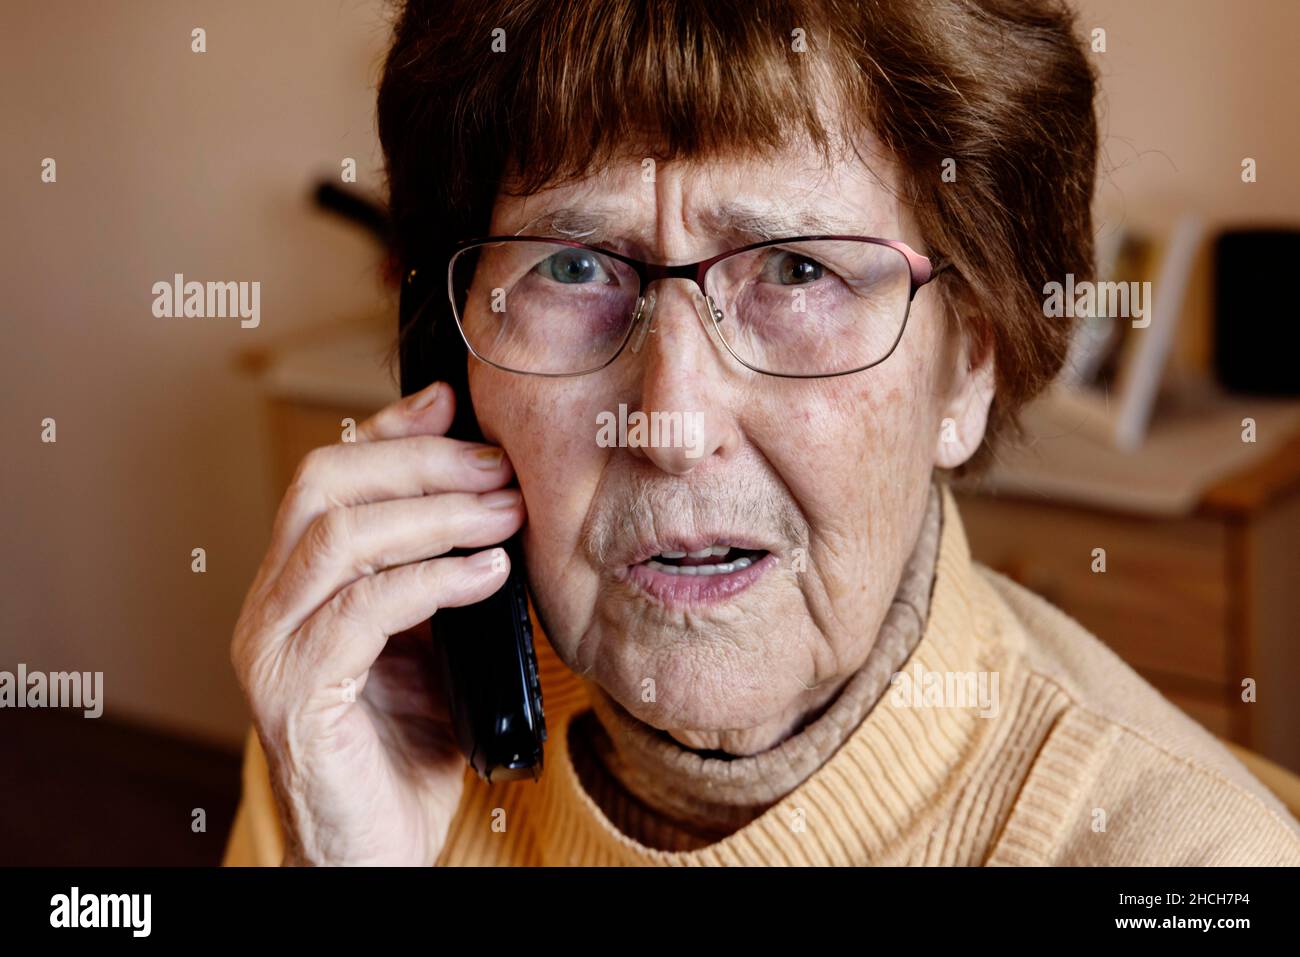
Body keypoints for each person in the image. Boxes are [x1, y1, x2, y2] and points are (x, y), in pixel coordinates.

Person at [222, 0, 1300, 866]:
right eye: (572, 265)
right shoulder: (366, 710)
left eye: (797, 268)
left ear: (967, 363)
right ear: (449, 357)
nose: (673, 422)